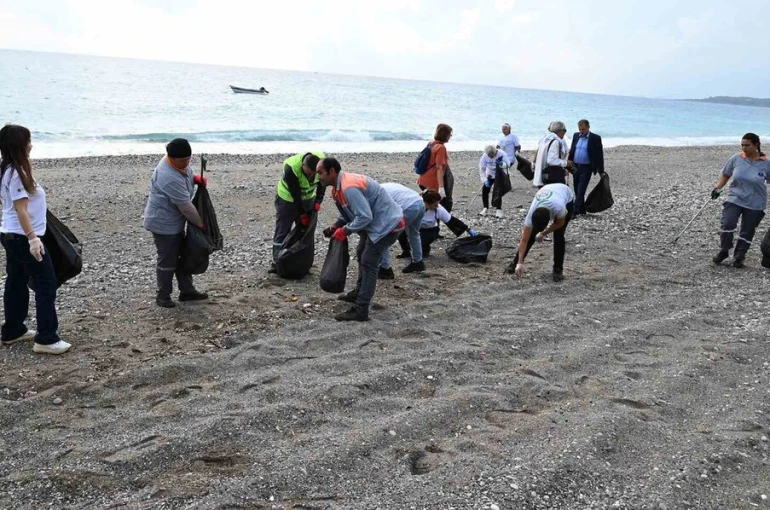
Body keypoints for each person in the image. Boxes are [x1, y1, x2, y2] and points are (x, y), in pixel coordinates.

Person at [0, 124, 70, 354]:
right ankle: (47, 338)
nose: (31, 144)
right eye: (28, 140)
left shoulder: (8, 169)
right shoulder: (17, 174)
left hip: (10, 234)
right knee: (45, 283)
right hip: (22, 237)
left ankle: (13, 330)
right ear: (20, 145)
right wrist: (33, 239)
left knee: (17, 280)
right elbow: (21, 209)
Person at [317, 157, 404, 322]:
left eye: (321, 173)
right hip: (377, 225)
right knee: (361, 253)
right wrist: (337, 225)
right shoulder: (338, 189)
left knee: (369, 261)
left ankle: (361, 309)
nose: (318, 177)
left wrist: (345, 231)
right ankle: (359, 292)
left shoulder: (348, 187)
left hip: (388, 225)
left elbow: (365, 216)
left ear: (332, 171)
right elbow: (349, 212)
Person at [143, 138, 209, 308]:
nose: (186, 163)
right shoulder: (167, 176)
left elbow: (186, 177)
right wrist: (201, 224)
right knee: (168, 260)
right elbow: (186, 207)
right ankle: (163, 296)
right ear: (170, 157)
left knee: (184, 256)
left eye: (189, 159)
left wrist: (195, 179)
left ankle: (187, 291)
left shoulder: (182, 164)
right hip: (163, 224)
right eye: (182, 161)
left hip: (175, 221)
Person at [711, 133, 770, 268]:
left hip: (756, 202)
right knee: (727, 224)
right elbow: (726, 174)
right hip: (735, 198)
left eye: (747, 145)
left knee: (747, 230)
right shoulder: (736, 159)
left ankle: (739, 256)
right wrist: (717, 188)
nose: (744, 148)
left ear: (756, 145)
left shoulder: (766, 163)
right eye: (742, 145)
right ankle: (724, 250)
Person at [505, 183, 574, 282]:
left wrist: (544, 233)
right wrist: (520, 263)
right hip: (548, 190)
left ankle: (558, 269)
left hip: (566, 195)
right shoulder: (531, 213)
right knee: (531, 235)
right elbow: (524, 240)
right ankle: (515, 263)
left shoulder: (559, 208)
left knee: (559, 235)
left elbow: (559, 223)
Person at [270, 151, 325, 273]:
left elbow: (322, 183)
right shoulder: (291, 168)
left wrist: (318, 200)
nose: (311, 175)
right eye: (309, 173)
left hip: (309, 198)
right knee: (282, 230)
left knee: (305, 231)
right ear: (303, 165)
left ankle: (302, 262)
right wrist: (302, 214)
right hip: (287, 199)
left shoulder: (321, 163)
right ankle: (277, 263)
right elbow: (296, 195)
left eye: (314, 173)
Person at [396, 190, 478, 259]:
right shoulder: (415, 206)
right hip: (414, 227)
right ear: (427, 203)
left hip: (429, 230)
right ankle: (406, 251)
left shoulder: (439, 209)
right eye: (435, 204)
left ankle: (425, 250)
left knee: (422, 241)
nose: (437, 206)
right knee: (400, 232)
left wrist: (468, 229)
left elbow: (451, 221)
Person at [379, 183, 426, 277]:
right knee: (414, 233)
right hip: (420, 203)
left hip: (407, 207)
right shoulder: (385, 186)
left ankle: (385, 269)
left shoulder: (377, 192)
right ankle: (418, 261)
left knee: (384, 236)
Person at [568, 119, 605, 216]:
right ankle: (582, 209)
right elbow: (572, 149)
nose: (581, 131)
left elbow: (599, 155)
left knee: (581, 189)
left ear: (588, 128)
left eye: (583, 129)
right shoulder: (576, 136)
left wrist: (601, 170)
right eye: (580, 129)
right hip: (575, 166)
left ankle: (574, 211)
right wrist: (568, 163)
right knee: (576, 188)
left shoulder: (595, 138)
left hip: (587, 167)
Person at [417, 123, 454, 212]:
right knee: (442, 205)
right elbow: (439, 168)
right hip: (432, 182)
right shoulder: (440, 148)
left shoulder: (431, 143)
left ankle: (428, 222)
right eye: (450, 134)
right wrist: (441, 187)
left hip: (423, 179)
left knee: (429, 204)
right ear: (445, 135)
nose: (450, 136)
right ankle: (436, 223)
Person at [533, 121, 570, 187]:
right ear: (561, 131)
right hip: (551, 176)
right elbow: (551, 160)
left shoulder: (545, 139)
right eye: (565, 130)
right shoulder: (555, 141)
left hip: (542, 175)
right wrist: (566, 163)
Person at [478, 145, 511, 218]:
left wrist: (502, 164)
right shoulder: (485, 156)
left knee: (498, 191)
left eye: (491, 155)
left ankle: (499, 210)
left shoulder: (502, 154)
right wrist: (484, 180)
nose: (489, 157)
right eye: (488, 155)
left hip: (500, 173)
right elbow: (482, 169)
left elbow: (508, 165)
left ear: (495, 152)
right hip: (490, 174)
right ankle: (485, 208)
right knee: (485, 190)